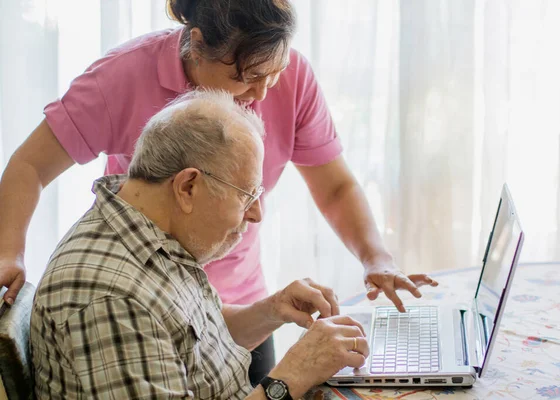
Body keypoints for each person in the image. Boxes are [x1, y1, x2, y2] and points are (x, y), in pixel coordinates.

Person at [0, 0, 437, 383]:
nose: (263, 92)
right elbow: (29, 164)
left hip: (232, 309)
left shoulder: (289, 79)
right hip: (149, 301)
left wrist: (374, 256)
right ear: (196, 43)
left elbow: (336, 186)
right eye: (247, 77)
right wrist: (9, 253)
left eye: (275, 71)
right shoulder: (122, 76)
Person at [30, 90, 369, 399]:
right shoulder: (112, 298)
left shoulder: (148, 227)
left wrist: (273, 310)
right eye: (247, 195)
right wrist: (294, 372)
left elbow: (192, 343)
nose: (256, 214)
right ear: (188, 187)